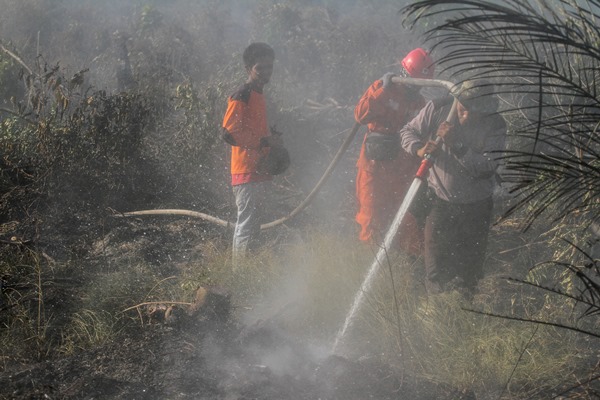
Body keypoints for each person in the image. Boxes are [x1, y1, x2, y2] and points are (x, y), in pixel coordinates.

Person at [399, 79, 507, 295]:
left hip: (476, 207)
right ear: (458, 101)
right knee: (436, 269)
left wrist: (457, 145)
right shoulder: (439, 108)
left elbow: (487, 167)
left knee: (469, 274)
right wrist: (419, 149)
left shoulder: (495, 124)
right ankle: (436, 313)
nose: (467, 117)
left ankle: (464, 313)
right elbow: (407, 132)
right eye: (464, 109)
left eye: (476, 112)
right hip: (440, 202)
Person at [354, 48, 435, 255]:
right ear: (405, 73)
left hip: (403, 172)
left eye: (419, 85)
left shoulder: (420, 104)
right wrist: (382, 91)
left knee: (406, 219)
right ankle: (370, 265)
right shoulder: (383, 89)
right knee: (372, 220)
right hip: (375, 170)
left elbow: (422, 137)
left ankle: (409, 268)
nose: (414, 89)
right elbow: (360, 115)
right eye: (413, 82)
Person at [221, 42, 282, 265]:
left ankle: (250, 270)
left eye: (269, 67)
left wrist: (272, 142)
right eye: (260, 68)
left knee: (254, 223)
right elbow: (228, 133)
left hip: (259, 168)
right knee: (246, 224)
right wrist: (263, 141)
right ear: (248, 69)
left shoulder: (259, 94)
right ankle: (240, 274)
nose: (266, 72)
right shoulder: (243, 94)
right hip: (246, 170)